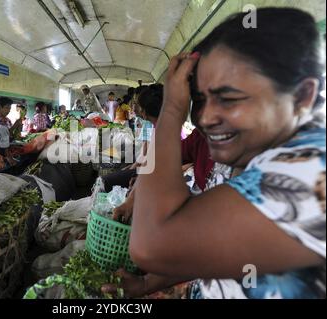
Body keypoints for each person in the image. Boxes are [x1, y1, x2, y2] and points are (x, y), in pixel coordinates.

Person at [105, 8, 326, 299]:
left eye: (230, 98)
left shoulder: (311, 173)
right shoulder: (245, 158)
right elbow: (220, 243)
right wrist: (149, 285)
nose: (206, 117)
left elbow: (152, 245)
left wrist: (172, 109)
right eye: (198, 99)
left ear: (301, 96)